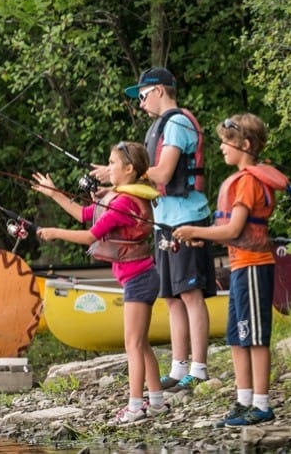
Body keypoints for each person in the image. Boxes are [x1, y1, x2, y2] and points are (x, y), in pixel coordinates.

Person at [93, 67, 216, 394]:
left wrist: (123, 175)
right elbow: (147, 182)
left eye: (144, 95)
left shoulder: (176, 123)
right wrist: (114, 186)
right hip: (165, 221)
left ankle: (199, 370)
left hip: (187, 218)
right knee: (172, 297)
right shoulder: (158, 127)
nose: (141, 102)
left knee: (190, 294)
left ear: (160, 91)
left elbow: (161, 174)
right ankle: (178, 369)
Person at [32, 141, 170, 424]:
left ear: (129, 169)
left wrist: (55, 232)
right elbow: (85, 214)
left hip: (139, 279)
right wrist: (55, 193)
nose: (107, 169)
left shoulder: (122, 202)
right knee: (140, 343)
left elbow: (89, 236)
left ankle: (135, 406)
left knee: (132, 343)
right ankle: (156, 402)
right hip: (141, 276)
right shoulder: (122, 198)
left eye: (112, 164)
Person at [173, 113, 289, 427]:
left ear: (246, 145)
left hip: (253, 267)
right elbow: (229, 231)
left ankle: (261, 404)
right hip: (240, 267)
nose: (222, 147)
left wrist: (195, 232)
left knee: (255, 338)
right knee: (237, 338)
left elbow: (234, 228)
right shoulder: (242, 179)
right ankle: (243, 400)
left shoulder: (249, 182)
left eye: (228, 142)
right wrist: (200, 237)